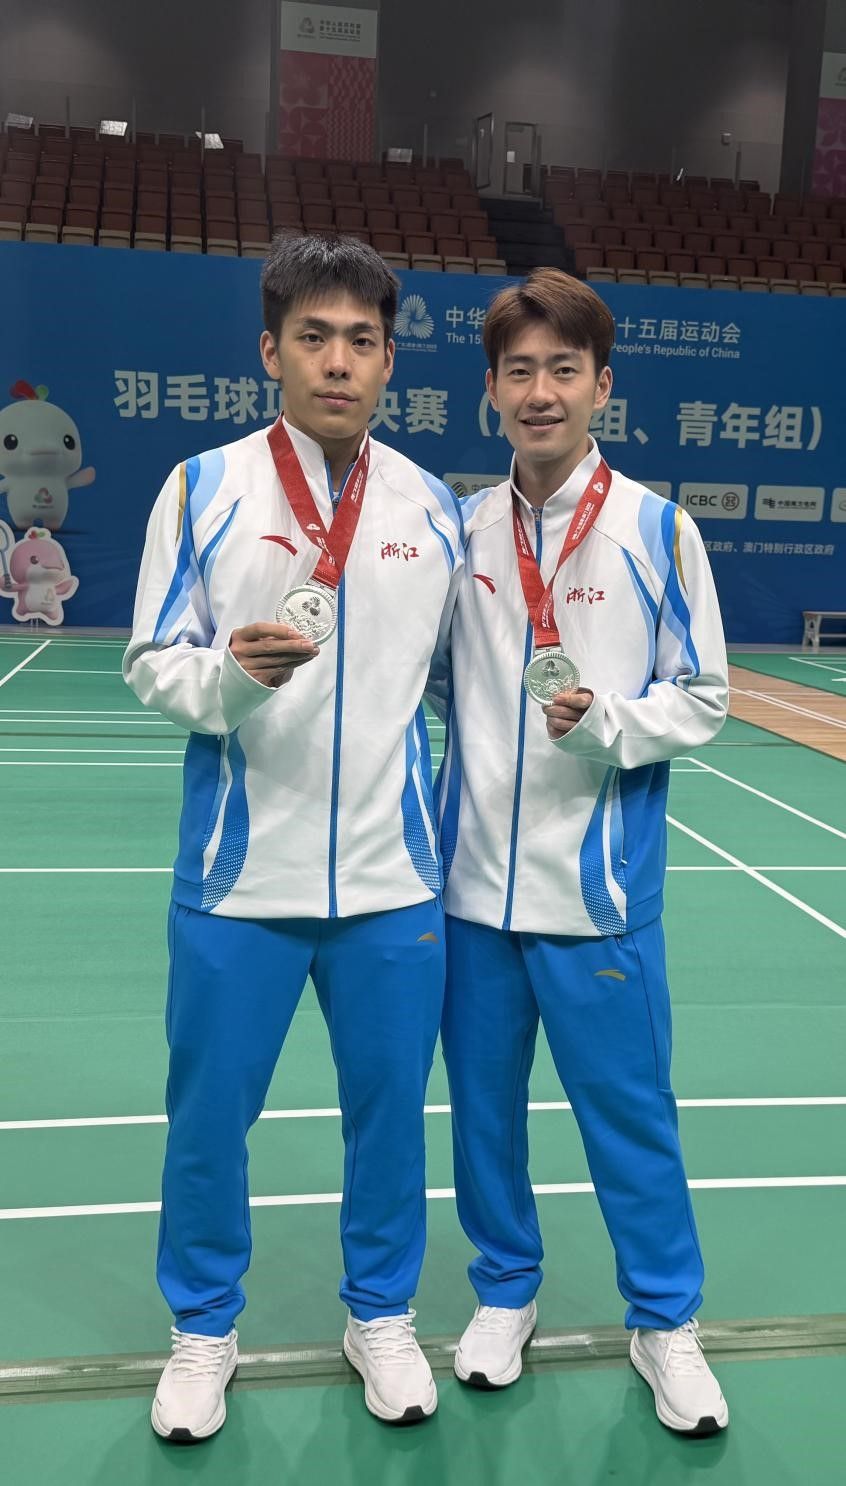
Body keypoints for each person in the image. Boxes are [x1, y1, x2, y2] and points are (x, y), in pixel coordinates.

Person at [124, 234, 464, 1439]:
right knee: (209, 1123)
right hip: (239, 882)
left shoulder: (432, 506)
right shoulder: (202, 487)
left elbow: (462, 686)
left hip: (391, 885)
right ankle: (202, 1326)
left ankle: (381, 1313)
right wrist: (230, 675)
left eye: (362, 341)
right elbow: (151, 658)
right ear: (270, 351)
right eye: (313, 337)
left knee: (390, 1117)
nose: (338, 361)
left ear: (389, 361)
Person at [438, 268, 730, 1436]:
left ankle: (665, 1320)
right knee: (483, 1117)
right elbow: (428, 685)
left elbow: (704, 695)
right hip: (470, 894)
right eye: (520, 370)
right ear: (492, 389)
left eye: (565, 368)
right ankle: (504, 1290)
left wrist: (611, 720)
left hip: (599, 893)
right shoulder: (459, 531)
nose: (542, 391)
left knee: (631, 1118)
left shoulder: (659, 530)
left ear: (603, 385)